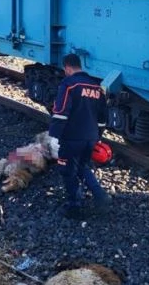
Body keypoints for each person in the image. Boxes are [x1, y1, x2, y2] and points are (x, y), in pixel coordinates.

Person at [48, 54, 112, 219]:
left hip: (71, 137)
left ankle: (74, 207)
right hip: (91, 137)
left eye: (65, 70)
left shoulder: (69, 84)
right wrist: (97, 136)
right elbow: (103, 116)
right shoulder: (96, 87)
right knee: (82, 166)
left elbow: (61, 112)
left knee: (68, 170)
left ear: (68, 68)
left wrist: (53, 136)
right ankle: (101, 196)